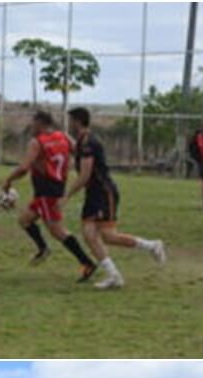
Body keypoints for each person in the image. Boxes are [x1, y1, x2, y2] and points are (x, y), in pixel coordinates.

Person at [63, 107, 166, 289]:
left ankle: (152, 246)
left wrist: (66, 196)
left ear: (78, 121)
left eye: (70, 120)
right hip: (93, 194)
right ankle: (114, 276)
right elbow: (75, 152)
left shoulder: (88, 142)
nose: (69, 124)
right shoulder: (82, 141)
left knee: (109, 236)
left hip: (103, 193)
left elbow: (85, 175)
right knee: (89, 234)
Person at [0, 110, 98, 277]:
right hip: (55, 187)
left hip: (46, 191)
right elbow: (79, 152)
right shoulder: (63, 136)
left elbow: (24, 168)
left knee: (58, 231)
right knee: (24, 220)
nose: (31, 126)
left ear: (40, 123)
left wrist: (8, 181)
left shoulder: (37, 142)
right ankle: (43, 249)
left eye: (33, 122)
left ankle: (86, 262)